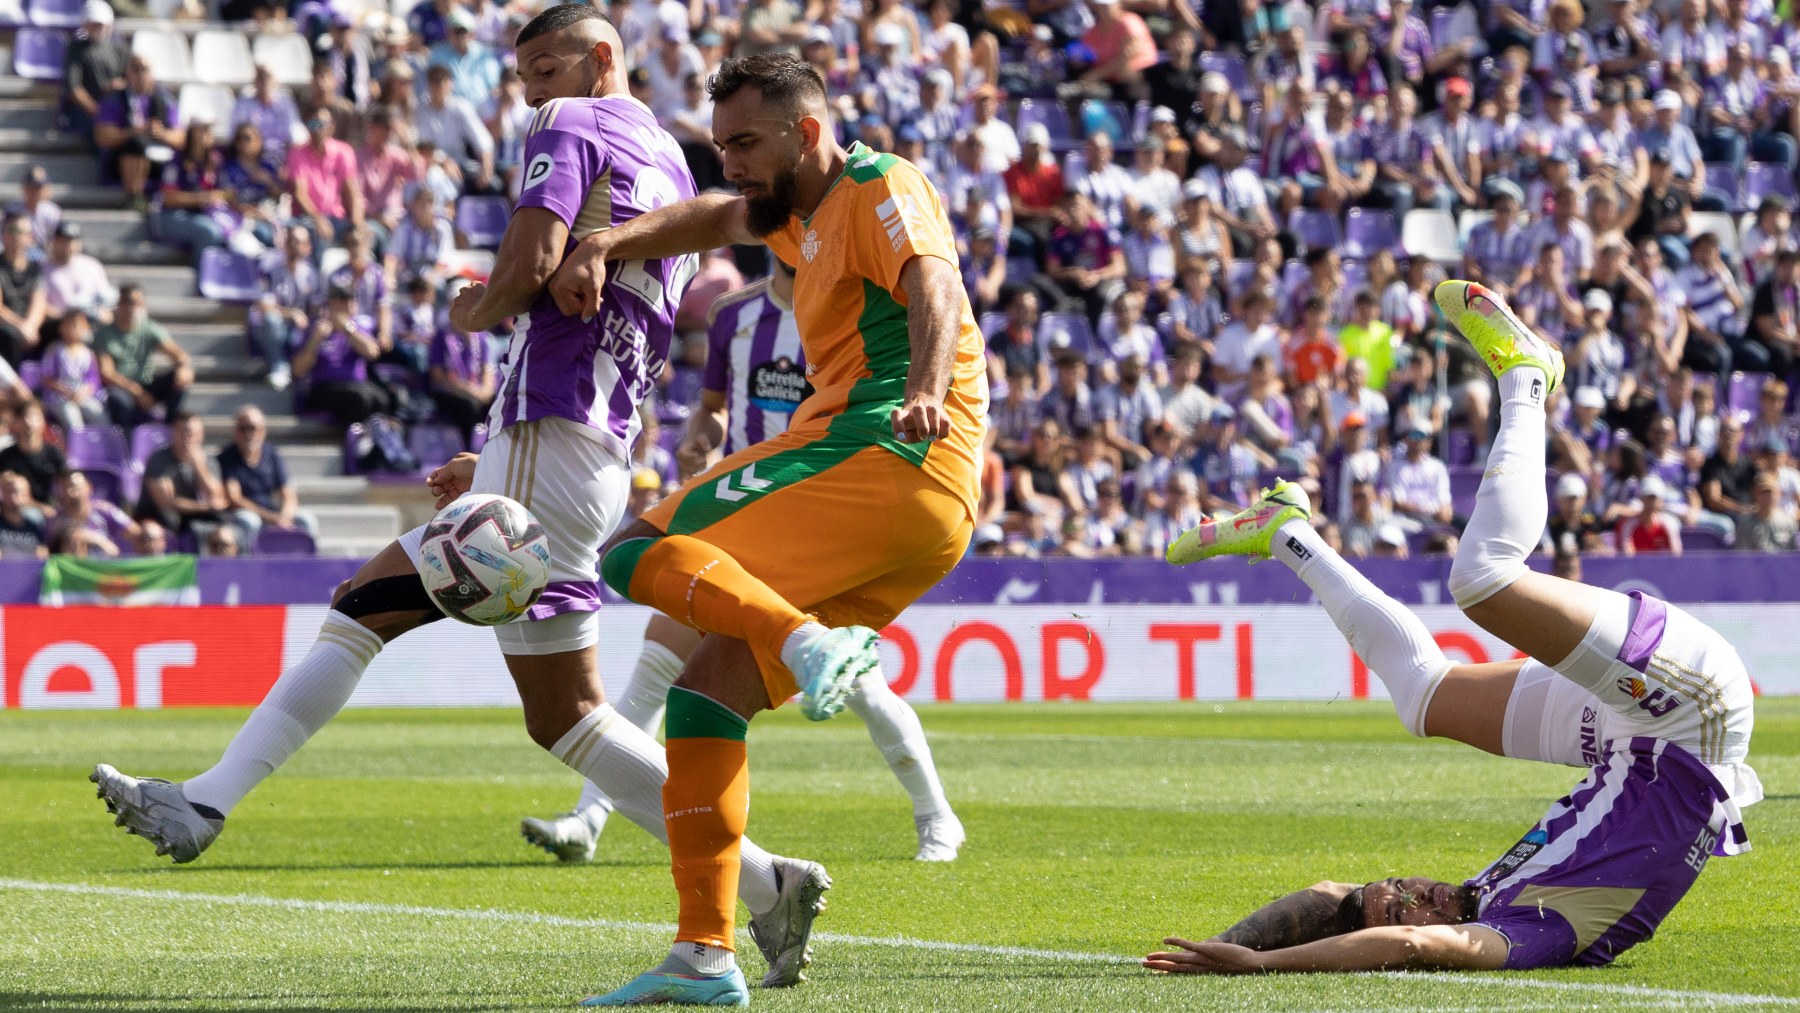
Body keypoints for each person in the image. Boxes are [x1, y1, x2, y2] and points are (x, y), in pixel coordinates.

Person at [91, 11, 829, 1006]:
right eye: (525, 76)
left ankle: (206, 802)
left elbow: (528, 273)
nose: (531, 91)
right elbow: (603, 310)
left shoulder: (575, 120)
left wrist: (463, 308)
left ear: (598, 57)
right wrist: (503, 448)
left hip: (550, 447)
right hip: (585, 451)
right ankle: (766, 878)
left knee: (362, 607)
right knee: (565, 716)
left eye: (544, 67)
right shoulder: (666, 152)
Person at [546, 51, 987, 1005]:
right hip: (916, 507)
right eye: (723, 144)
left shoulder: (879, 185)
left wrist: (920, 391)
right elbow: (712, 216)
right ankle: (704, 955)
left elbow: (937, 288)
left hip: (884, 446)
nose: (732, 161)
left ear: (809, 131)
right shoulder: (792, 214)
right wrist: (611, 242)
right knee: (706, 694)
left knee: (630, 548)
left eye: (748, 142)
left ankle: (810, 642)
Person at [1152, 280, 1757, 975]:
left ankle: (1286, 531)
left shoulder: (1485, 891)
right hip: (1692, 718)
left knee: (1420, 697)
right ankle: (1528, 376)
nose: (1411, 891)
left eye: (1393, 884)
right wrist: (1262, 970)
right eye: (1400, 900)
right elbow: (1411, 944)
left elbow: (1333, 897)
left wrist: (1249, 941)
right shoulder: (1525, 930)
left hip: (1629, 738)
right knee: (1484, 579)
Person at [524, 257, 964, 865]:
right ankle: (588, 819)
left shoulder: (847, 309)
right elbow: (713, 404)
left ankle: (936, 817)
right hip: (737, 512)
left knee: (860, 687)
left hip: (815, 515)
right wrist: (701, 436)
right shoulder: (735, 315)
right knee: (657, 669)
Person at [95, 282, 192, 427]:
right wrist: (135, 391)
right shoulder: (105, 334)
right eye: (127, 302)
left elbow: (177, 353)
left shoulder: (149, 328)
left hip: (147, 384)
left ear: (143, 305)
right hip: (122, 387)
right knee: (117, 400)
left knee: (180, 382)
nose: (131, 307)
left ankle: (170, 430)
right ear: (119, 304)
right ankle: (125, 443)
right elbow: (107, 374)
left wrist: (183, 367)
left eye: (136, 303)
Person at [217, 405, 316, 544]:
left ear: (262, 431)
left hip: (272, 511)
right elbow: (235, 499)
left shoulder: (272, 454)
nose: (248, 434)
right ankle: (249, 564)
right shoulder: (227, 457)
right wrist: (271, 518)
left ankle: (306, 563)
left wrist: (285, 516)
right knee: (249, 521)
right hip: (244, 513)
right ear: (235, 431)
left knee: (305, 519)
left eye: (252, 428)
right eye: (243, 428)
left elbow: (288, 493)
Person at [40, 310, 106, 430]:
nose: (72, 329)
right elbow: (46, 378)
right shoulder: (55, 350)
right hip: (59, 397)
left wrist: (83, 392)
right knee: (74, 422)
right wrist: (66, 391)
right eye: (68, 325)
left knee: (101, 417)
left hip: (82, 395)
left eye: (76, 326)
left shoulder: (88, 353)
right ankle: (76, 447)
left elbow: (94, 379)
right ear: (61, 328)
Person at [0, 212, 47, 367]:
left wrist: (31, 326)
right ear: (4, 234)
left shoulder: (35, 268)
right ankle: (15, 387)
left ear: (30, 237)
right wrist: (22, 327)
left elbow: (39, 302)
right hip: (7, 323)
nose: (16, 236)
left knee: (62, 329)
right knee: (9, 336)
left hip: (28, 322)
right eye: (12, 231)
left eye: (21, 232)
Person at [0, 399, 66, 507]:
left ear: (42, 421)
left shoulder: (53, 452)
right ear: (14, 423)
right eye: (22, 416)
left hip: (53, 508)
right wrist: (40, 508)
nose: (28, 421)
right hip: (22, 511)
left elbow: (66, 479)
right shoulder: (6, 457)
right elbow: (9, 495)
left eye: (33, 415)